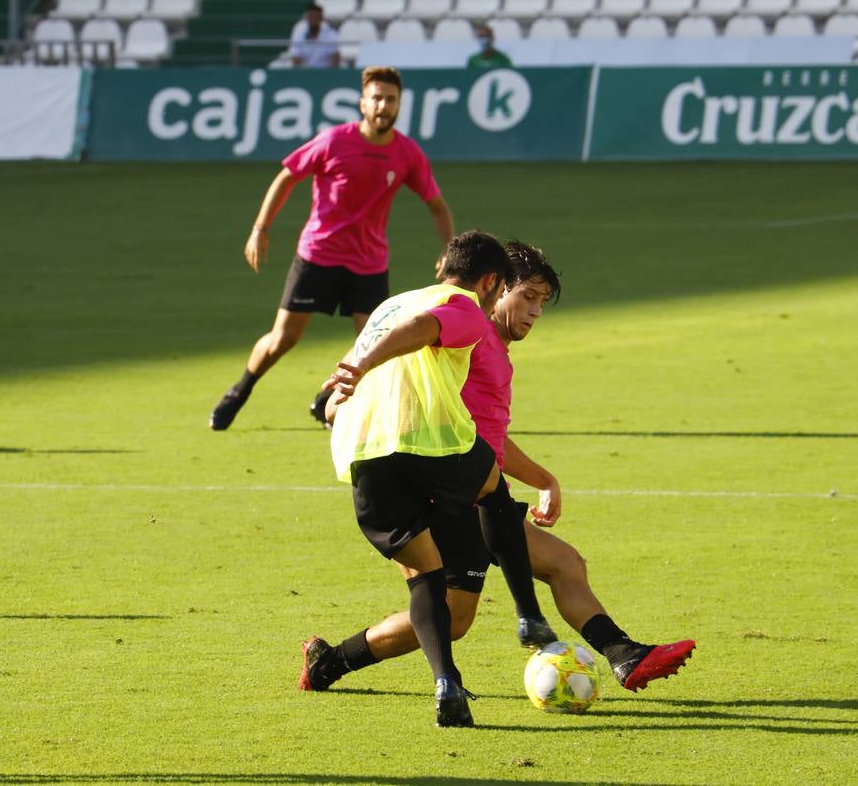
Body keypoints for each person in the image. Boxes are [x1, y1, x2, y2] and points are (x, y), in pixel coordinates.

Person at [300, 242, 696, 700]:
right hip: (447, 492)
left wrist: (543, 478)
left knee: (453, 619)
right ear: (497, 286)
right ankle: (619, 652)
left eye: (542, 301)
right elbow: (444, 415)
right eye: (527, 296)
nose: (535, 310)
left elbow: (485, 437)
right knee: (558, 567)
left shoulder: (486, 346)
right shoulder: (470, 334)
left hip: (464, 484)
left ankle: (329, 662)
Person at [322, 230, 538, 728]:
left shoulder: (388, 305)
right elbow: (423, 328)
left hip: (368, 456)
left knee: (426, 576)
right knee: (494, 488)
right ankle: (529, 614)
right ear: (490, 282)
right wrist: (365, 365)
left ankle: (447, 686)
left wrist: (345, 384)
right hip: (433, 445)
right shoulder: (462, 307)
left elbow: (334, 394)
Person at [208, 65, 455, 430]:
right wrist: (261, 227)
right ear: (362, 103)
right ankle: (239, 392)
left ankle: (327, 400)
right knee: (283, 339)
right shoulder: (334, 141)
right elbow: (287, 177)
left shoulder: (407, 153)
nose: (383, 106)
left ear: (400, 105)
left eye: (391, 99)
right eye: (377, 99)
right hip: (318, 255)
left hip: (369, 263)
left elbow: (436, 204)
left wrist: (449, 249)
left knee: (373, 345)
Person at [288, 3, 340, 68]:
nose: (313, 21)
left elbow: (335, 60)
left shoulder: (331, 34)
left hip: (325, 73)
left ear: (321, 19)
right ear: (306, 18)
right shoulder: (299, 32)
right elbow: (295, 59)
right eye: (310, 17)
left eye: (316, 18)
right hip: (305, 73)